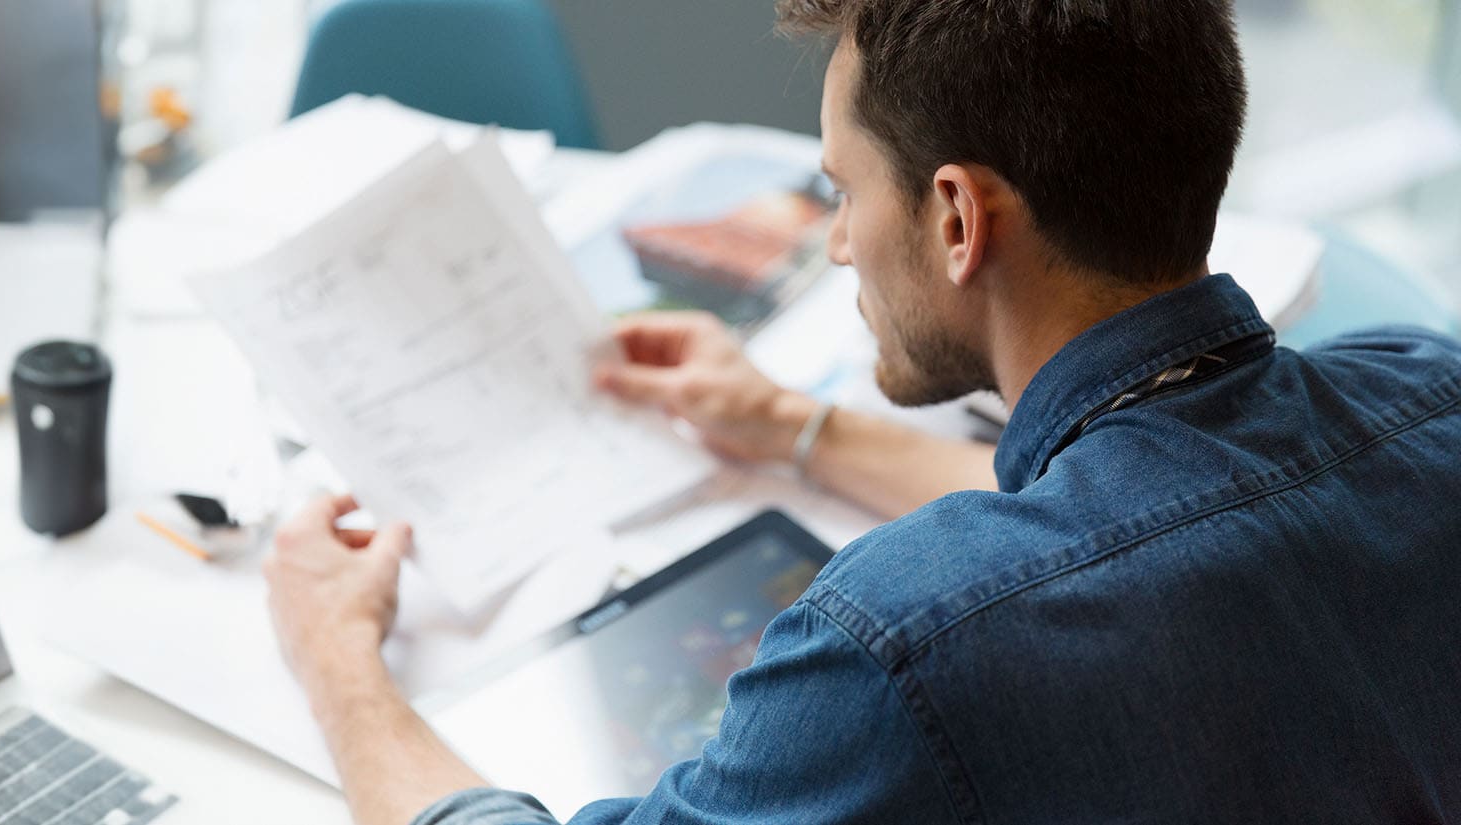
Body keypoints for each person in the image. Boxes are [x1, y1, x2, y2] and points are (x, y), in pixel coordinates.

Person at [261, 0, 1461, 822]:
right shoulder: (1429, 391)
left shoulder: (903, 648)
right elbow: (1151, 519)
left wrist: (340, 666)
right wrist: (797, 427)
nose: (834, 242)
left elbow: (1062, 580)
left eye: (841, 189)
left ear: (957, 219)